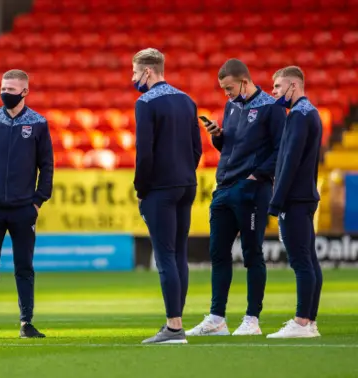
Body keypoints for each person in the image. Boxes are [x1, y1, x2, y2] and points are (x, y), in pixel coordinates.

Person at [186, 59, 285, 337]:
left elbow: (281, 150)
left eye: (228, 88)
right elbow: (232, 146)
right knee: (218, 254)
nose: (226, 94)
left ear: (243, 81)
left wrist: (257, 176)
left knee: (252, 254)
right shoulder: (231, 106)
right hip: (224, 187)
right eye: (223, 89)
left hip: (251, 189)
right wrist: (218, 137)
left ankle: (252, 319)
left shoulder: (271, 108)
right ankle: (217, 318)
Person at [0, 69, 54, 339]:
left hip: (23, 208)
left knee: (24, 267)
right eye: (3, 88)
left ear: (25, 92)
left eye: (12, 89)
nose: (6, 93)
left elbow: (47, 166)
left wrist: (38, 201)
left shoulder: (38, 123)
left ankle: (26, 323)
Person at [131, 48, 202, 344]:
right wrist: (185, 172)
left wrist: (141, 188)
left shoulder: (145, 103)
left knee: (165, 257)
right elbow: (197, 148)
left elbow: (144, 152)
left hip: (160, 188)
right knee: (179, 255)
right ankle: (177, 322)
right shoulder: (187, 100)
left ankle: (174, 327)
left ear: (148, 72)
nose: (133, 78)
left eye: (135, 72)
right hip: (186, 184)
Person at [267, 66, 323, 339]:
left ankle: (301, 322)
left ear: (293, 86)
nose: (274, 92)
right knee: (309, 260)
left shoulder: (299, 116)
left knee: (301, 261)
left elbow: (290, 161)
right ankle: (309, 320)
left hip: (295, 199)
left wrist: (276, 202)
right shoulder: (310, 113)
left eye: (277, 86)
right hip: (305, 195)